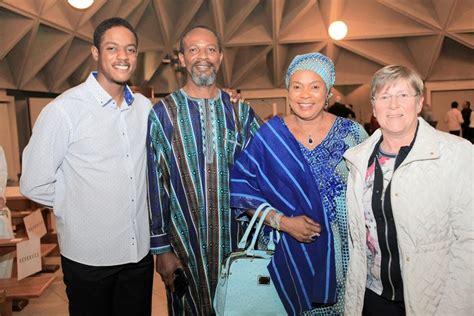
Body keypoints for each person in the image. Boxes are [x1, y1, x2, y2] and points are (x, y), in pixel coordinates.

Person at [20, 17, 154, 316]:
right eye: (112, 48)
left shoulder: (144, 108)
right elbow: (33, 183)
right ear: (95, 53)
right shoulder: (64, 111)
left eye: (130, 49)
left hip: (137, 254)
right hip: (89, 258)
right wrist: (81, 206)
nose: (123, 57)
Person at [230, 52, 368, 315]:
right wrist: (283, 222)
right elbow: (241, 188)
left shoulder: (353, 134)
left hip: (343, 261)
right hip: (284, 257)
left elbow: (371, 193)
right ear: (288, 90)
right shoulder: (269, 136)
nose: (305, 95)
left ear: (327, 92)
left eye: (315, 86)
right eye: (297, 86)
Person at [146, 25, 261, 315]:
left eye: (210, 49)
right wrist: (162, 250)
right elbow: (154, 184)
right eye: (193, 50)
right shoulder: (162, 114)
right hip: (185, 245)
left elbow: (266, 167)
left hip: (238, 243)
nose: (203, 57)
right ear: (182, 59)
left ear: (220, 57)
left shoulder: (240, 111)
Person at [343, 65, 473, 315]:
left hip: (435, 300)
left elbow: (469, 240)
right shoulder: (358, 160)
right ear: (373, 106)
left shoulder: (455, 153)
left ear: (419, 102)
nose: (393, 105)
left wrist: (455, 307)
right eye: (384, 96)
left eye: (403, 95)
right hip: (374, 296)